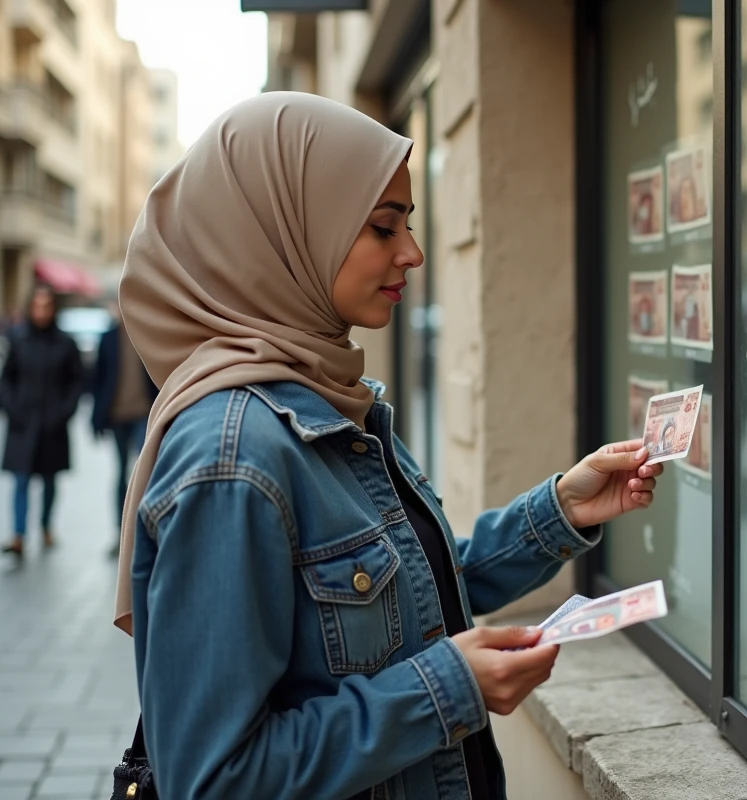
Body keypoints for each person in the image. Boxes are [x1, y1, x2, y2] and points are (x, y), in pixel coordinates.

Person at [113, 92, 664, 800]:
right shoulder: (234, 458)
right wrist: (445, 690)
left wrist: (558, 513)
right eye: (382, 226)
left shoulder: (326, 400)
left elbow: (398, 596)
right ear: (286, 232)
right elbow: (216, 779)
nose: (413, 252)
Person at [0, 284, 84, 558]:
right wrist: (12, 408)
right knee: (20, 481)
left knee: (49, 481)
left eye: (47, 306)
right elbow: (7, 378)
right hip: (23, 424)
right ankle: (19, 535)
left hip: (52, 425)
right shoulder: (18, 338)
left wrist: (63, 413)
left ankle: (46, 526)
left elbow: (76, 382)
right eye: (37, 305)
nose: (41, 311)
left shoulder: (65, 343)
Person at [90, 307, 157, 558]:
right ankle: (121, 534)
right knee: (120, 474)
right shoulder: (108, 337)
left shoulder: (145, 333)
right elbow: (98, 378)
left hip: (144, 414)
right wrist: (96, 418)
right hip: (117, 416)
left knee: (146, 473)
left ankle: (147, 531)